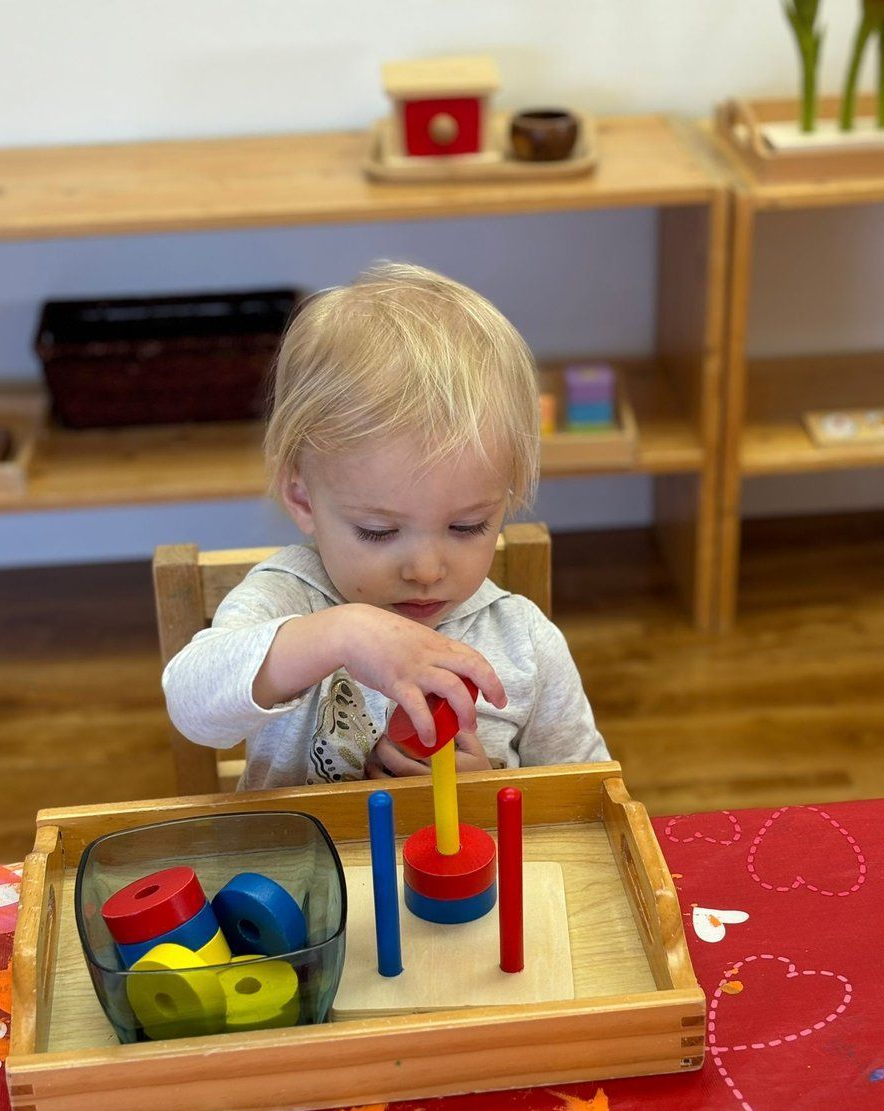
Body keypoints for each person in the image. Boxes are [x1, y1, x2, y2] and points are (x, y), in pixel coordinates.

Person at [162, 261, 609, 788]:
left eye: (467, 527)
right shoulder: (289, 599)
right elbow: (192, 706)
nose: (425, 569)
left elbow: (590, 794)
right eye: (378, 531)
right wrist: (343, 634)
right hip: (306, 867)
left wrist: (487, 791)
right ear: (302, 497)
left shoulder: (522, 641)